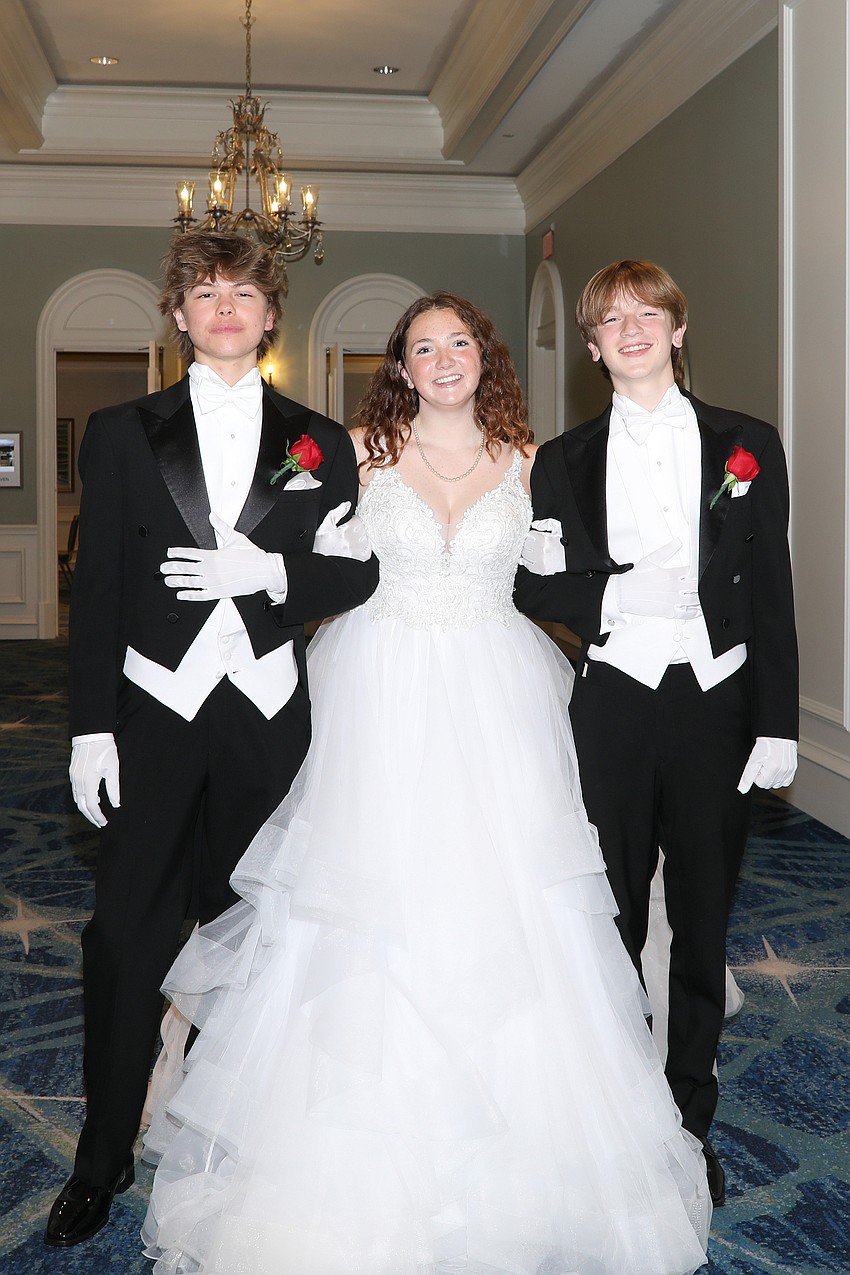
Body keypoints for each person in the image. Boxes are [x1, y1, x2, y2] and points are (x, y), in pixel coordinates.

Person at [140, 291, 711, 1275]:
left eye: (459, 344)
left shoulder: (536, 463)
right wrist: (255, 567)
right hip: (380, 691)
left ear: (484, 359)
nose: (443, 359)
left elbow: (559, 580)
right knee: (366, 903)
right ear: (398, 366)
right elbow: (283, 542)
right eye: (421, 347)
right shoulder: (349, 451)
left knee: (511, 903)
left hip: (500, 694)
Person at [44, 232, 378, 1248]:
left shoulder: (322, 438)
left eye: (244, 291)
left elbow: (356, 575)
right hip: (155, 710)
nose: (225, 305)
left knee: (259, 941)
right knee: (126, 938)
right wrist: (92, 728)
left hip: (268, 716)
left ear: (271, 315)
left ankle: (233, 1144)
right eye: (204, 291)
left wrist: (270, 579)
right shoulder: (118, 430)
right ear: (178, 315)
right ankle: (101, 1155)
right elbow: (96, 584)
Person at [516, 260, 798, 1208]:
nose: (630, 329)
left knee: (704, 919)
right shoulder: (560, 460)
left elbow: (772, 591)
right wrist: (608, 593)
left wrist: (778, 721)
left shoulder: (747, 444)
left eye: (649, 314)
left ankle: (685, 1119)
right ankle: (616, 1105)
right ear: (592, 347)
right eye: (610, 320)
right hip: (616, 705)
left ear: (678, 330)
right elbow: (534, 585)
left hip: (718, 703)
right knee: (615, 915)